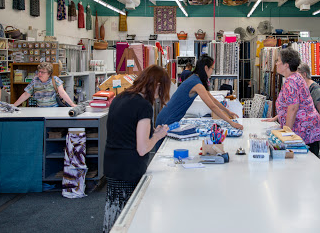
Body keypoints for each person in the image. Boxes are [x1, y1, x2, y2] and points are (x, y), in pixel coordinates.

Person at [102, 65, 170, 232]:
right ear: (158, 85)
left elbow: (125, 130)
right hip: (129, 168)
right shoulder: (143, 106)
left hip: (112, 164)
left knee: (115, 211)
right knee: (130, 217)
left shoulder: (120, 98)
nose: (158, 96)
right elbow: (142, 148)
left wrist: (151, 133)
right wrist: (158, 136)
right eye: (160, 91)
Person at [262, 48, 320, 156]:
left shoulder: (291, 81)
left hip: (303, 128)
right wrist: (277, 117)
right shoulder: (296, 77)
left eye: (278, 61)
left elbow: (293, 108)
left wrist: (286, 135)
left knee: (305, 164)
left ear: (286, 65)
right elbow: (294, 104)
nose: (276, 63)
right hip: (307, 126)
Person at [156, 55, 243, 130]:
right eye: (212, 68)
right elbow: (212, 106)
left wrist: (228, 112)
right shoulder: (196, 84)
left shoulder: (195, 79)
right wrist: (231, 122)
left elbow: (213, 100)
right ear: (206, 68)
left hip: (168, 117)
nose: (212, 71)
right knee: (163, 148)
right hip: (167, 120)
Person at [297, 64, 320, 141]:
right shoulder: (302, 87)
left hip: (313, 131)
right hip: (305, 131)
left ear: (304, 74)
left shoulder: (315, 89)